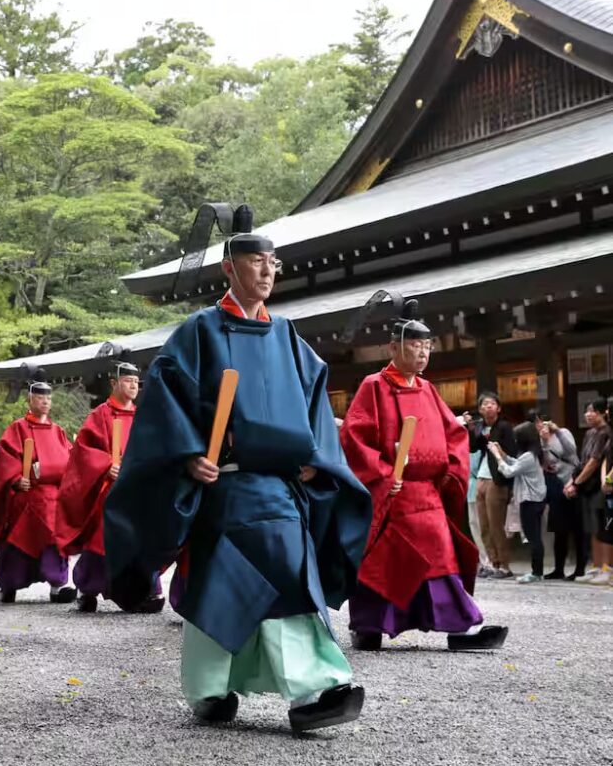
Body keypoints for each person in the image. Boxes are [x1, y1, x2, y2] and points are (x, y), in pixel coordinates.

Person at [103, 203, 371, 733]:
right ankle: (211, 689)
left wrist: (318, 460)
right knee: (223, 581)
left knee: (290, 574)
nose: (268, 271)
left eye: (274, 262)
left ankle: (315, 690)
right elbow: (167, 402)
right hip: (223, 486)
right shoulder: (200, 331)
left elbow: (317, 404)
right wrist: (187, 455)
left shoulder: (289, 337)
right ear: (231, 267)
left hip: (282, 486)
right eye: (257, 262)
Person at [340, 295, 507, 652]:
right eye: (415, 345)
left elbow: (454, 433)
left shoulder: (428, 389)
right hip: (392, 491)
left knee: (441, 556)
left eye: (427, 346)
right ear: (394, 347)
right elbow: (355, 437)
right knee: (384, 561)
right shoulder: (374, 386)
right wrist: (384, 474)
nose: (423, 353)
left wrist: (449, 471)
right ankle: (368, 627)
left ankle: (460, 626)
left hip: (427, 493)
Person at [58, 361, 163, 614]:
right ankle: (87, 588)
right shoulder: (99, 416)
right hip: (110, 490)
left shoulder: (143, 416)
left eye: (136, 381)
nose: (134, 385)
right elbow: (83, 452)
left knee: (142, 541)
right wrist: (106, 464)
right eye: (127, 381)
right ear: (114, 383)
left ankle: (145, 590)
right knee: (103, 541)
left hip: (137, 491)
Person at [0, 380, 77, 605]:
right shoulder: (17, 428)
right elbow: (6, 461)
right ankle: (9, 584)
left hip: (54, 495)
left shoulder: (59, 432)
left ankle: (58, 582)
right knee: (19, 537)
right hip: (28, 495)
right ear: (30, 400)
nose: (45, 401)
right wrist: (15, 479)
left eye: (48, 398)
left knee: (55, 536)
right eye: (40, 397)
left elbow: (71, 461)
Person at [467, 391, 518, 578]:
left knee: (496, 524)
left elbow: (512, 453)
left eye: (492, 404)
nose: (488, 406)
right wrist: (472, 428)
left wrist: (508, 484)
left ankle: (505, 565)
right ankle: (493, 563)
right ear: (480, 409)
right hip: (481, 477)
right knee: (483, 525)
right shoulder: (481, 427)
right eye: (484, 404)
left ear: (498, 408)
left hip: (496, 479)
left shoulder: (504, 426)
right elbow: (472, 447)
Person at [489, 422, 547, 583]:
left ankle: (536, 572)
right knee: (535, 537)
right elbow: (517, 464)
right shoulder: (532, 454)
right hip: (536, 500)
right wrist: (504, 455)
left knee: (533, 537)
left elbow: (509, 472)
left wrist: (498, 456)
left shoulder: (528, 456)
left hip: (530, 501)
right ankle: (538, 572)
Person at [528, 411, 584, 579]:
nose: (539, 425)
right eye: (535, 423)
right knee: (559, 529)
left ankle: (579, 569)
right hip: (556, 485)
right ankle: (558, 568)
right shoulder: (539, 440)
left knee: (577, 528)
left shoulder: (563, 432)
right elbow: (544, 463)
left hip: (573, 482)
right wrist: (544, 442)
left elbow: (572, 451)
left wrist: (557, 431)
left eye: (539, 421)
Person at [567, 398, 611, 584]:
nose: (587, 414)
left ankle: (607, 568)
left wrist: (576, 483)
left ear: (602, 412)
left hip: (600, 486)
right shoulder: (589, 433)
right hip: (587, 487)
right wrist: (572, 481)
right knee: (592, 527)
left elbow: (595, 461)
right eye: (586, 410)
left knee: (603, 527)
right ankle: (596, 565)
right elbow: (583, 461)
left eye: (592, 410)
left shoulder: (606, 432)